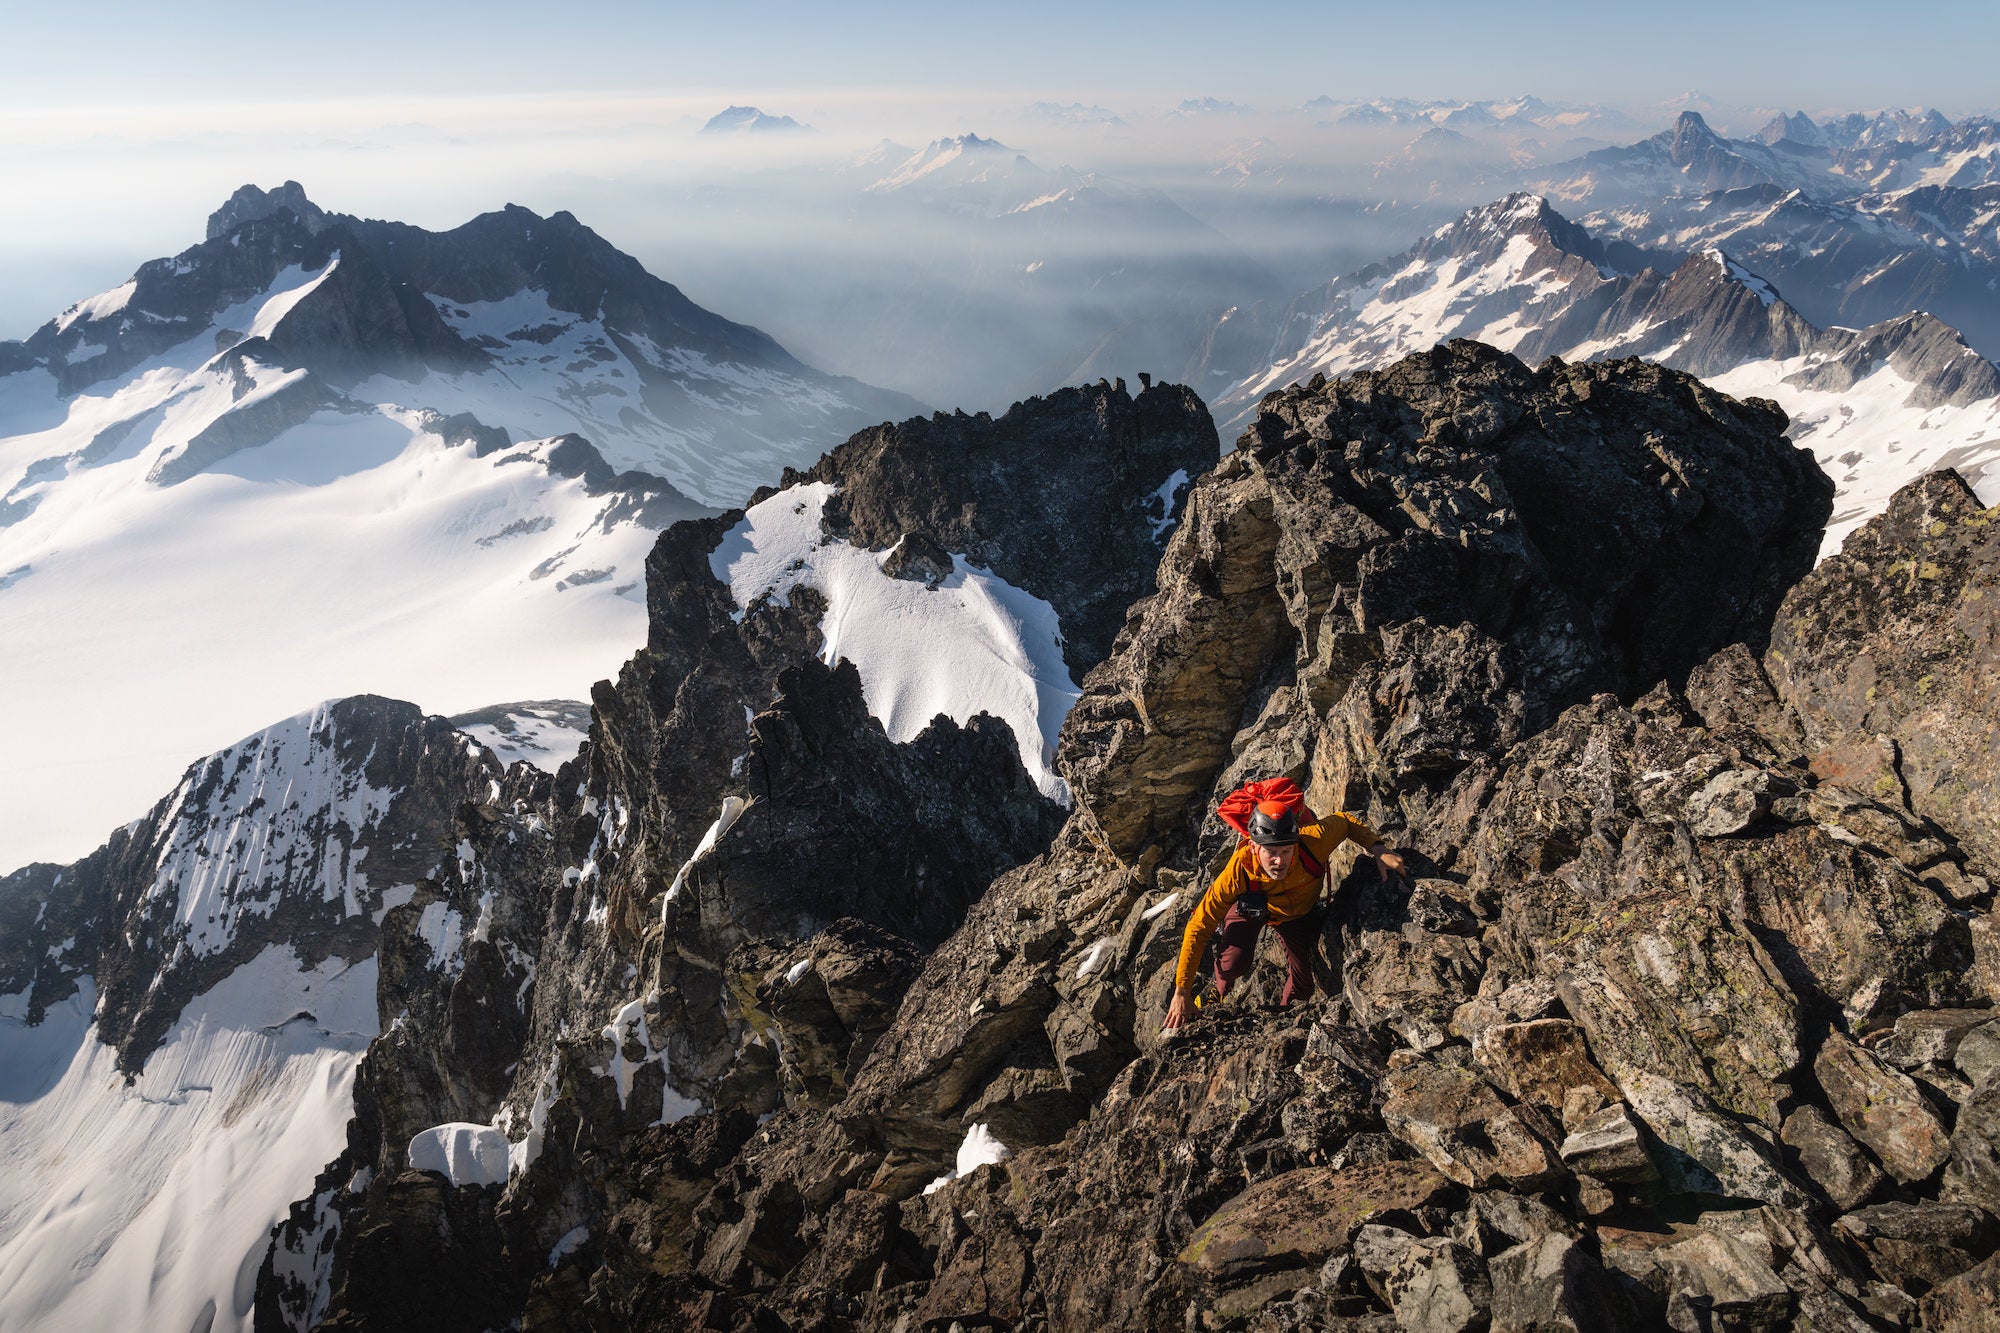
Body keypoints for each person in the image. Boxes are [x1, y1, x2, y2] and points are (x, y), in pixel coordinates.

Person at [1161, 798, 1405, 1031]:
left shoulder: (1314, 841)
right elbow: (1199, 926)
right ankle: (1218, 988)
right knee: (1233, 964)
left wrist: (1378, 848)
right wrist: (1182, 991)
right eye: (1271, 852)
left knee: (1304, 986)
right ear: (1254, 847)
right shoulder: (1238, 870)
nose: (1279, 861)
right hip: (1249, 909)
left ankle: (1283, 1019)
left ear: (1296, 842)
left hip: (1294, 916)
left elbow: (1345, 821)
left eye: (1286, 851)